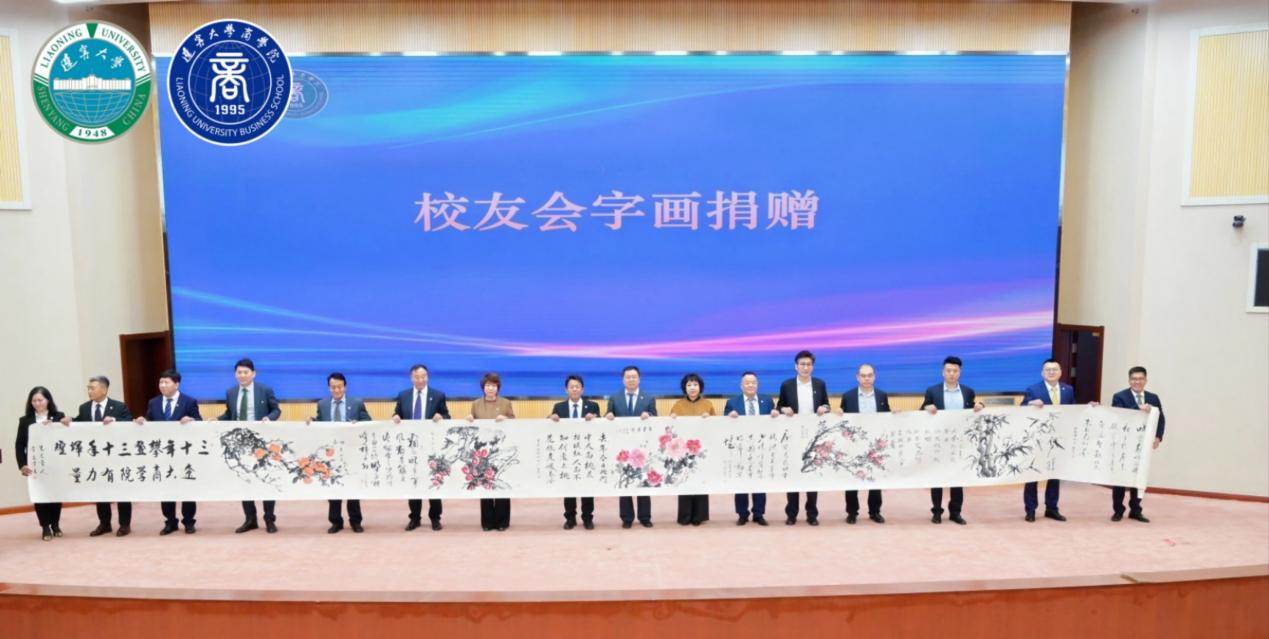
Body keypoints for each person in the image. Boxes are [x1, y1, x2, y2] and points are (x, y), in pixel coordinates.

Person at [64, 376, 134, 537]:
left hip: (116, 456)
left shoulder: (119, 406)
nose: (89, 391)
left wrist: (114, 420)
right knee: (100, 491)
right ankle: (104, 524)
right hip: (95, 457)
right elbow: (80, 423)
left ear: (104, 389)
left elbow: (129, 422)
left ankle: (124, 524)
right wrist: (71, 420)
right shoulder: (84, 408)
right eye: (88, 388)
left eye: (92, 388)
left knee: (122, 491)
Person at [217, 358, 282, 534]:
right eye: (239, 372)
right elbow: (229, 414)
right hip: (239, 445)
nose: (242, 375)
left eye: (246, 372)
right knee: (244, 480)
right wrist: (216, 420)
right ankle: (250, 519)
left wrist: (269, 418)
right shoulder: (231, 392)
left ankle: (269, 519)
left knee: (266, 480)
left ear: (253, 373)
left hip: (261, 443)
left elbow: (276, 410)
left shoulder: (264, 390)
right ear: (235, 374)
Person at [134, 370, 202, 535]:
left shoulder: (189, 401)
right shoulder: (154, 402)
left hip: (183, 453)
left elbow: (199, 421)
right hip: (162, 453)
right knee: (166, 488)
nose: (162, 385)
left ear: (176, 384)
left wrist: (192, 420)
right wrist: (143, 421)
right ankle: (170, 522)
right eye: (161, 382)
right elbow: (150, 423)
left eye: (166, 382)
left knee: (186, 487)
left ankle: (189, 521)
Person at [922, 356, 983, 525]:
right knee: (937, 478)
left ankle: (955, 513)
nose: (951, 373)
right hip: (938, 442)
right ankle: (936, 512)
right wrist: (926, 407)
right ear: (943, 372)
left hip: (960, 443)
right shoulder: (932, 391)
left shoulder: (968, 391)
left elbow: (973, 411)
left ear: (959, 373)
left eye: (955, 371)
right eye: (948, 370)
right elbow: (921, 411)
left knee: (958, 479)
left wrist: (980, 407)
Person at [310, 372, 371, 533]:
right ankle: (336, 521)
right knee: (333, 487)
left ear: (345, 387)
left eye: (339, 387)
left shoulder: (357, 403)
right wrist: (312, 421)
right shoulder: (322, 404)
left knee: (352, 487)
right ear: (329, 388)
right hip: (330, 453)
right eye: (333, 387)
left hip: (351, 450)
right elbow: (320, 422)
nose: (336, 390)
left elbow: (368, 421)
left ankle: (355, 521)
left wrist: (358, 424)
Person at [392, 364, 450, 531]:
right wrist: (395, 416)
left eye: (423, 376)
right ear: (411, 378)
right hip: (411, 447)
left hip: (431, 446)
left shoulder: (438, 395)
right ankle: (415, 518)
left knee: (433, 481)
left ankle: (435, 518)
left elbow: (447, 415)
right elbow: (397, 413)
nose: (420, 380)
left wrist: (441, 416)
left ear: (428, 377)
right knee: (414, 482)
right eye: (417, 377)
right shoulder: (403, 396)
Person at [778, 350, 830, 526]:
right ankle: (791, 514)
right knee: (793, 475)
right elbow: (779, 406)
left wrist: (824, 408)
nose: (805, 367)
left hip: (814, 438)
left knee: (811, 475)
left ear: (812, 367)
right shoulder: (787, 385)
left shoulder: (820, 384)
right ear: (796, 366)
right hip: (793, 437)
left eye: (808, 364)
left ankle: (812, 514)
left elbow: (827, 404)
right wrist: (784, 409)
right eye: (802, 364)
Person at [1020, 358, 1074, 522]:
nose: (1051, 372)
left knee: (1054, 475)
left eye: (1054, 369)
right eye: (1048, 369)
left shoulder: (1068, 390)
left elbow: (1074, 410)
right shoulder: (1033, 389)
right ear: (1042, 373)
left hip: (1058, 439)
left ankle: (1052, 508)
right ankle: (1030, 510)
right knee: (1032, 476)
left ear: (1060, 372)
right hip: (1038, 440)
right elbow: (1021, 409)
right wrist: (1030, 403)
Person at [1110, 366, 1165, 522]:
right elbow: (1118, 416)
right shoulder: (1119, 396)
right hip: (1124, 444)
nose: (1137, 382)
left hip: (1143, 445)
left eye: (1140, 379)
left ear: (1145, 380)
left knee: (1139, 477)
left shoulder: (1153, 398)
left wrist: (1158, 437)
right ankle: (1118, 510)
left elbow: (1161, 418)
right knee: (1120, 479)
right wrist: (1139, 408)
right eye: (1134, 379)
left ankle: (1135, 510)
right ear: (1129, 380)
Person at [724, 371, 778, 526]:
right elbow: (724, 423)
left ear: (757, 384)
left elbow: (776, 421)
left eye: (753, 382)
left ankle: (758, 514)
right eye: (747, 383)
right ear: (741, 386)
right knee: (741, 481)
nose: (750, 385)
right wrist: (729, 416)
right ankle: (742, 514)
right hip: (741, 448)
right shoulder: (732, 402)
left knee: (760, 480)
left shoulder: (767, 401)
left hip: (762, 447)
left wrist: (776, 413)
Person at [605, 365, 656, 529]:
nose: (631, 379)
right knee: (624, 481)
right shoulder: (614, 398)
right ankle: (627, 518)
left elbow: (656, 418)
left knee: (643, 481)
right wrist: (608, 416)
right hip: (622, 449)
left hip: (642, 447)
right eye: (628, 377)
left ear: (639, 379)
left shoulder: (648, 398)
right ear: (623, 379)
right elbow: (608, 417)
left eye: (634, 377)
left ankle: (645, 516)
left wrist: (650, 415)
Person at [839, 363, 889, 524]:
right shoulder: (848, 396)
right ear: (857, 377)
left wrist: (894, 414)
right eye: (863, 375)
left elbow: (887, 417)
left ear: (874, 377)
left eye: (869, 375)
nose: (866, 378)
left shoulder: (881, 395)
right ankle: (852, 512)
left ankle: (875, 512)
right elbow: (843, 421)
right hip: (854, 444)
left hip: (875, 445)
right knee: (852, 479)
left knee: (875, 479)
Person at [549, 374, 600, 530]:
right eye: (571, 387)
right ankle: (570, 518)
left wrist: (595, 418)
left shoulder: (593, 406)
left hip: (587, 452)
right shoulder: (559, 407)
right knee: (569, 487)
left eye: (577, 386)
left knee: (587, 486)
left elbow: (602, 425)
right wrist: (551, 417)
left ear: (582, 389)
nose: (575, 389)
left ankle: (587, 518)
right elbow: (549, 424)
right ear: (566, 389)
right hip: (567, 452)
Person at [16, 387, 67, 541]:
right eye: (34, 401)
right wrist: (22, 465)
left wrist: (62, 424)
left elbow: (66, 437)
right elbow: (19, 444)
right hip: (35, 464)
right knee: (40, 495)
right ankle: (45, 526)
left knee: (55, 494)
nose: (37, 403)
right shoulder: (25, 420)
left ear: (48, 400)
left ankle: (55, 524)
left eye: (40, 400)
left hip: (55, 463)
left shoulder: (58, 416)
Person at [467, 372, 515, 531]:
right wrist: (469, 419)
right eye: (487, 385)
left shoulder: (506, 403)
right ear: (483, 387)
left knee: (501, 483)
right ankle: (487, 522)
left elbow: (515, 423)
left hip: (500, 449)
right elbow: (472, 425)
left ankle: (502, 522)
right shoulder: (476, 404)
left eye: (493, 385)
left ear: (498, 387)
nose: (490, 388)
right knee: (484, 483)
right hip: (482, 451)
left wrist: (507, 420)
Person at [669, 372, 714, 526]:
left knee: (701, 481)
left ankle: (699, 516)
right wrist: (672, 419)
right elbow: (670, 429)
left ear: (700, 387)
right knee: (684, 481)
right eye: (689, 385)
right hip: (683, 451)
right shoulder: (678, 405)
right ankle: (685, 515)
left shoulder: (708, 404)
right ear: (685, 388)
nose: (692, 388)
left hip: (701, 450)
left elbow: (716, 427)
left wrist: (710, 419)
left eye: (695, 384)